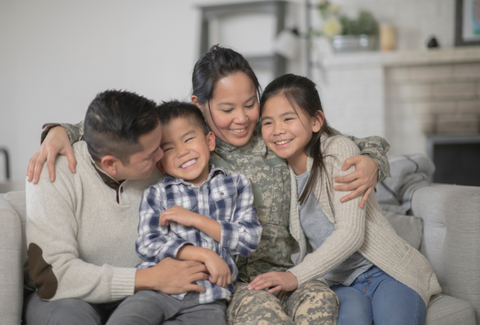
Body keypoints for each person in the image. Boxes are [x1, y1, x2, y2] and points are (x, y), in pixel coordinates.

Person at [27, 45, 391, 324]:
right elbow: (121, 128)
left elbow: (338, 139)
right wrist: (60, 130)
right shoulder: (187, 150)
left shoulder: (274, 134)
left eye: (250, 104)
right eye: (226, 109)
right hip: (235, 283)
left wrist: (374, 160)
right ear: (200, 107)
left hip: (292, 271)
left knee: (321, 308)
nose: (242, 119)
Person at [252, 73, 441, 325]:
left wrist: (294, 276)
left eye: (288, 118)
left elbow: (351, 233)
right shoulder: (279, 172)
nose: (277, 131)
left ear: (316, 121)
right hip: (340, 284)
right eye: (268, 123)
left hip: (386, 272)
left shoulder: (337, 150)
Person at [24, 90, 211, 325]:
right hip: (69, 299)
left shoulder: (157, 155)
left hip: (146, 296)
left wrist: (59, 128)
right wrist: (146, 277)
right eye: (151, 154)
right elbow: (53, 278)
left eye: (160, 144)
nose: (162, 156)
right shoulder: (53, 172)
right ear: (110, 164)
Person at [131, 100, 262, 325]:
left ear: (209, 140)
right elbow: (147, 244)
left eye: (189, 139)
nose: (182, 152)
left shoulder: (237, 184)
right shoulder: (157, 194)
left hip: (208, 296)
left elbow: (249, 239)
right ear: (160, 164)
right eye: (169, 148)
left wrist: (194, 219)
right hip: (157, 289)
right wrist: (204, 254)